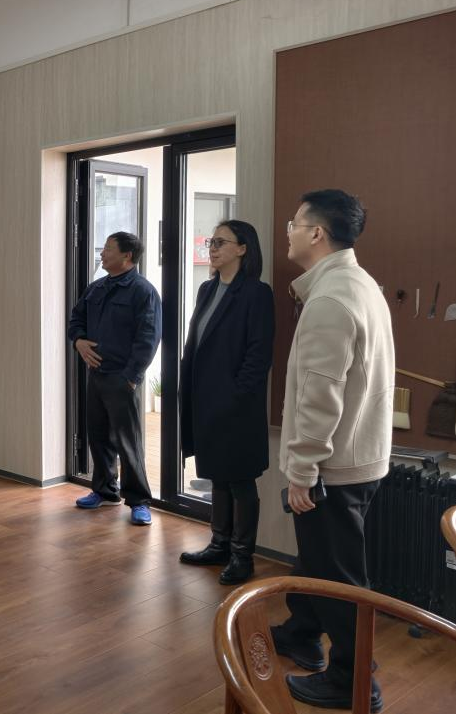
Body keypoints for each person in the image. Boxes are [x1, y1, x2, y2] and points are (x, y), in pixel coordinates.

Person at [271, 190, 393, 713]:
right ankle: (301, 631)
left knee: (338, 579)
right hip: (357, 458)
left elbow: (319, 397)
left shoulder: (329, 299)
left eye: (294, 224)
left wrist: (302, 470)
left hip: (333, 467)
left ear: (317, 233)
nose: (289, 231)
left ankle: (353, 681)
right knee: (319, 559)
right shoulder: (357, 283)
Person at [178, 220, 275, 584]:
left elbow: (258, 355)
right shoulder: (207, 289)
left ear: (243, 248)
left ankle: (242, 556)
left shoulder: (256, 294)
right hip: (205, 401)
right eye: (211, 242)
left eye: (220, 242)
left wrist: (235, 396)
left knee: (240, 480)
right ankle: (219, 545)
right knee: (218, 475)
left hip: (237, 407)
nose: (213, 248)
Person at [67, 232, 162, 526]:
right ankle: (105, 491)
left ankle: (139, 501)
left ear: (127, 256)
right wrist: (79, 341)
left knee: (127, 441)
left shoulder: (143, 291)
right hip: (96, 375)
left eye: (108, 249)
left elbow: (149, 337)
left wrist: (131, 378)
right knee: (98, 436)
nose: (102, 253)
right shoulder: (96, 288)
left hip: (123, 378)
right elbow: (76, 319)